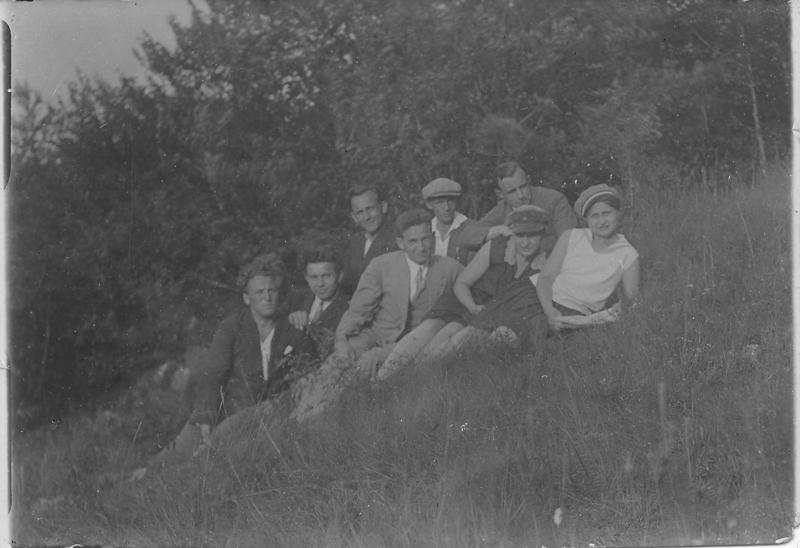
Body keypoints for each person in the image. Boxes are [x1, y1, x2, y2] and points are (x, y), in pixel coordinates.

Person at [290, 209, 463, 421]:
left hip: (412, 343)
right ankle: (300, 413)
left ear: (433, 238)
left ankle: (324, 414)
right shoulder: (382, 265)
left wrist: (378, 354)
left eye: (426, 239)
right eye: (412, 241)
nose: (421, 247)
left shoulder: (450, 269)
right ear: (400, 243)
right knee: (339, 361)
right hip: (376, 334)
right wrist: (342, 340)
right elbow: (358, 310)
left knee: (363, 368)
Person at [149, 252, 317, 466]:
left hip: (266, 415)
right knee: (176, 453)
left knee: (207, 459)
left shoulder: (292, 329)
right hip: (227, 408)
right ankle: (144, 474)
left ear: (279, 293)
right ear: (247, 298)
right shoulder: (232, 328)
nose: (266, 297)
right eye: (259, 292)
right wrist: (207, 414)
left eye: (271, 291)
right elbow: (213, 373)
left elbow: (309, 372)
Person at [381, 205, 550, 375]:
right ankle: (383, 377)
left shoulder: (548, 261)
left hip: (497, 313)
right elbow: (462, 283)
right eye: (520, 235)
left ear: (543, 234)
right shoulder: (498, 247)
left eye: (532, 235)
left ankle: (413, 378)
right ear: (512, 233)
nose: (526, 243)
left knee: (451, 337)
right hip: (470, 299)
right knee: (431, 326)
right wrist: (471, 306)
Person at [536, 184, 640, 332]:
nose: (602, 221)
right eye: (594, 216)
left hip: (572, 312)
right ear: (586, 220)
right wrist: (549, 310)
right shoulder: (571, 236)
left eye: (607, 213)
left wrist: (622, 306)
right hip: (541, 297)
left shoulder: (628, 254)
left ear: (618, 213)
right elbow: (546, 277)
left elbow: (631, 299)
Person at [480, 161, 577, 253]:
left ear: (528, 180)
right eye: (512, 191)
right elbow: (475, 231)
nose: (520, 195)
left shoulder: (554, 200)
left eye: (523, 187)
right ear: (500, 194)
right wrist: (498, 230)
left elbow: (570, 241)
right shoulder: (502, 209)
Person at [422, 177, 509, 264]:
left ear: (457, 201)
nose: (446, 208)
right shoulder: (425, 230)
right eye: (440, 202)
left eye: (450, 201)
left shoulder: (471, 227)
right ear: (429, 205)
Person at [287, 245, 350, 358]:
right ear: (306, 277)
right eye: (314, 277)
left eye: (326, 276)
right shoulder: (296, 301)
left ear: (340, 276)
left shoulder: (350, 309)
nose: (320, 284)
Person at [340, 184, 398, 295]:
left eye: (370, 209)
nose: (366, 217)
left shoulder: (398, 240)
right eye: (360, 212)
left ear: (383, 207)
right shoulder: (354, 245)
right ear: (354, 217)